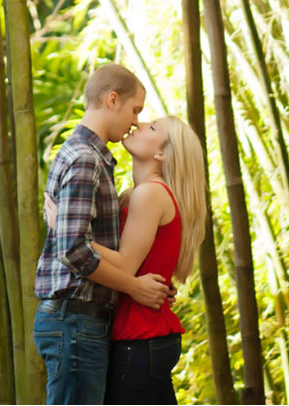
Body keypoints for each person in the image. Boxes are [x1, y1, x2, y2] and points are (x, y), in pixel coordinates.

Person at [34, 64, 171, 405]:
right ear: (113, 100)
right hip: (75, 318)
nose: (135, 121)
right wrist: (134, 287)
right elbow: (74, 249)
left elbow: (73, 239)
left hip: (77, 319)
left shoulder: (84, 154)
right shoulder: (85, 159)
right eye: (135, 110)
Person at [94, 115, 207, 405]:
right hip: (149, 340)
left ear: (163, 154)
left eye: (152, 127)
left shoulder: (150, 194)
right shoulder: (142, 194)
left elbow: (123, 267)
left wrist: (70, 237)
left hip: (137, 341)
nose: (139, 123)